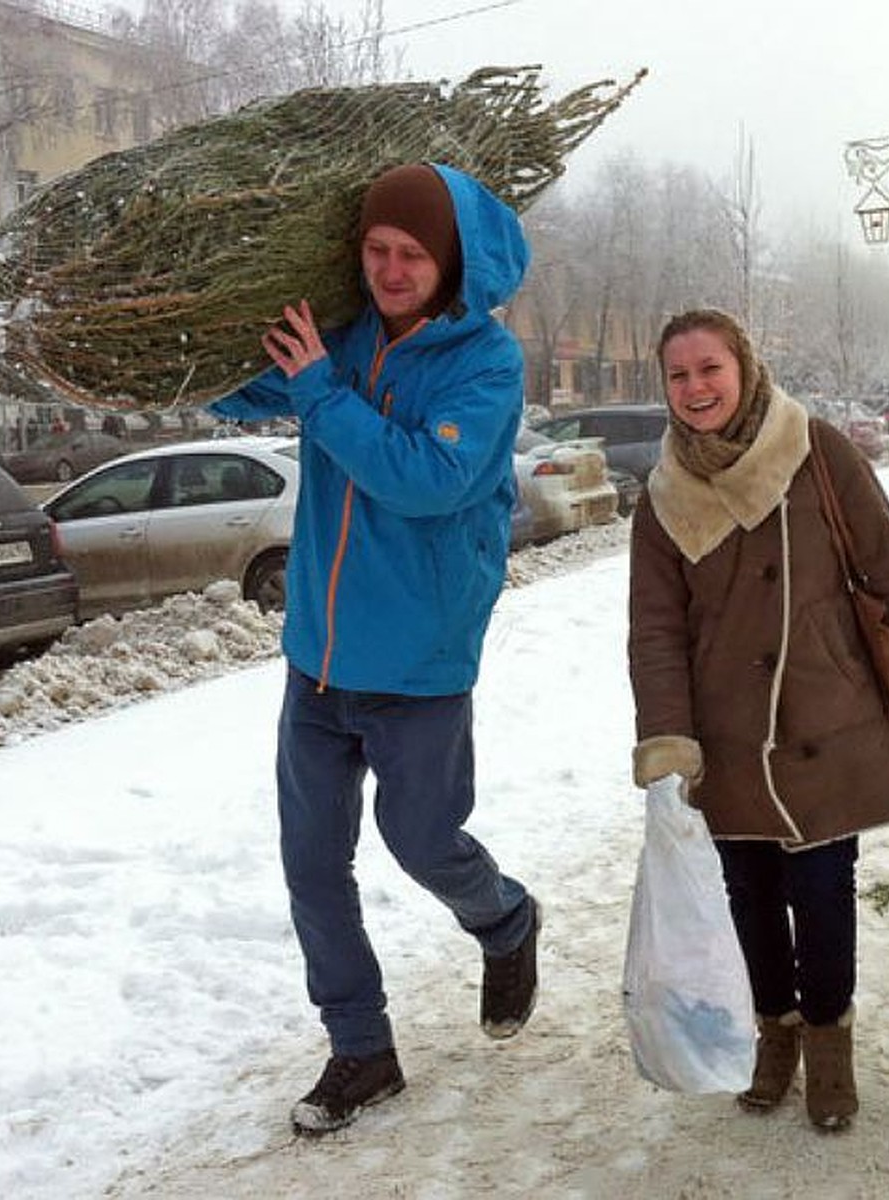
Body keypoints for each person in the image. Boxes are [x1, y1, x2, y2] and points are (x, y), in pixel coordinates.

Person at [209, 162, 540, 1136]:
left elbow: (430, 477)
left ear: (449, 264)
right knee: (312, 863)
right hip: (316, 654)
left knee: (422, 841)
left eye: (413, 255)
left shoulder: (488, 363)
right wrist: (195, 347)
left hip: (419, 660)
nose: (392, 271)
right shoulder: (341, 336)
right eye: (378, 251)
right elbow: (240, 390)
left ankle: (504, 918)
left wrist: (319, 392)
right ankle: (362, 1049)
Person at [626, 309, 889, 1131]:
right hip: (725, 734)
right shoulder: (663, 495)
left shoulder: (815, 450)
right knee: (748, 894)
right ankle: (772, 1034)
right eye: (678, 375)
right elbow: (655, 631)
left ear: (743, 367)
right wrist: (670, 736)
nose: (696, 388)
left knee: (821, 893)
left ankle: (828, 1046)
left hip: (826, 710)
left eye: (709, 368)